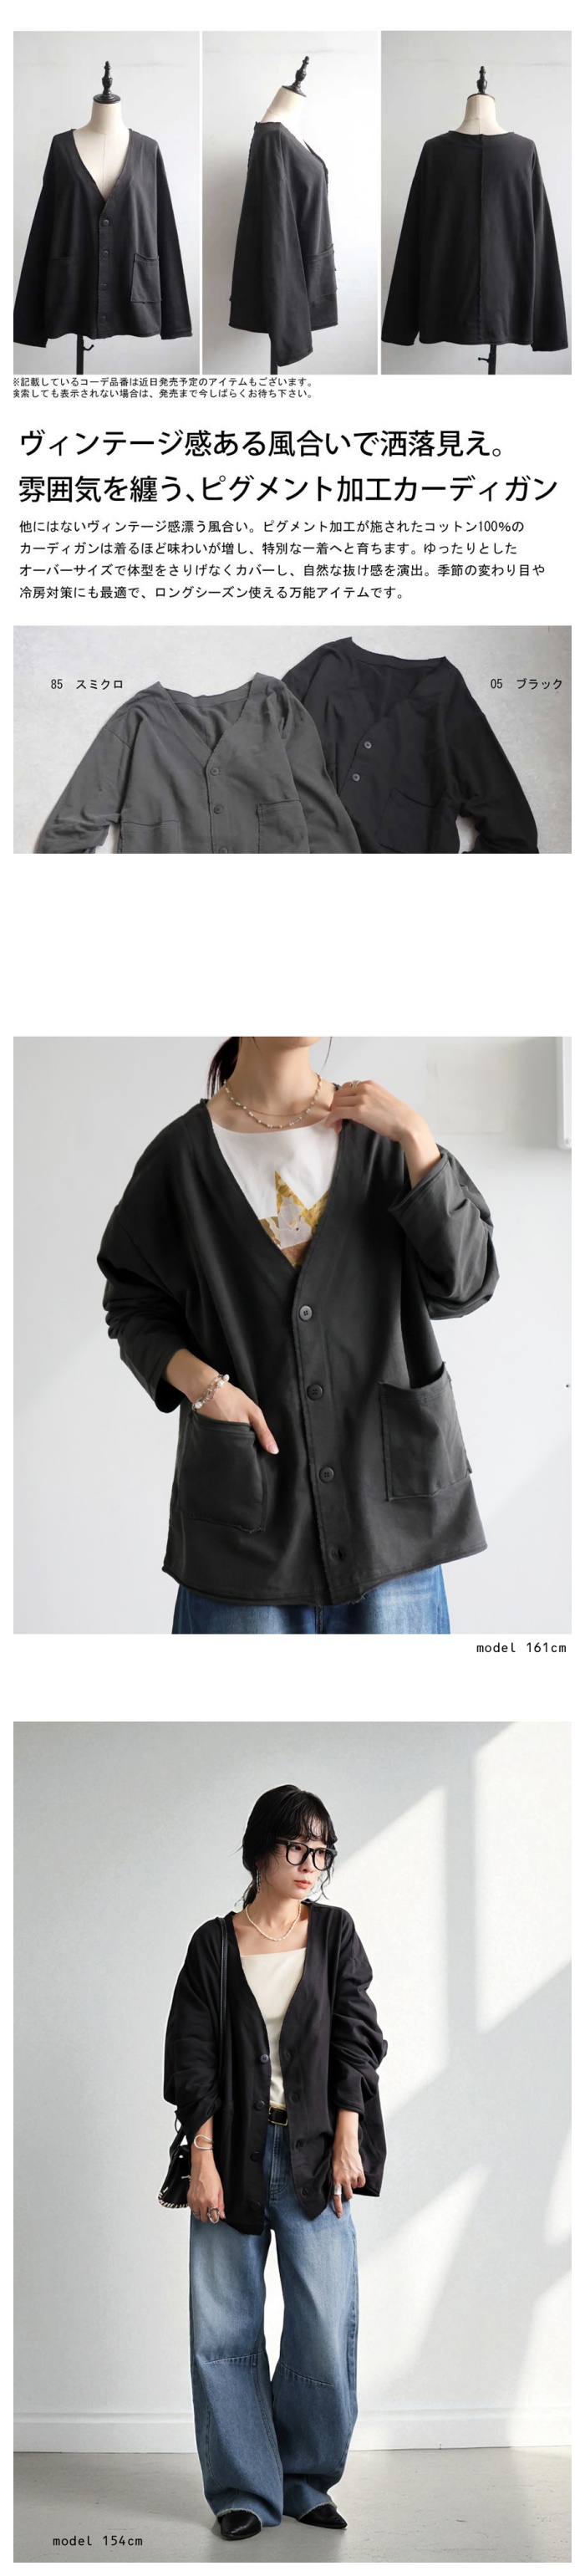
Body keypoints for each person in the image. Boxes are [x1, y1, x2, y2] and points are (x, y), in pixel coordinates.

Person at [98, 1036, 499, 1633]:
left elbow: (465, 1283)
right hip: (247, 1532)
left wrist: (418, 1139)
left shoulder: (385, 1139)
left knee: (399, 1697)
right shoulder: (180, 1159)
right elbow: (133, 1303)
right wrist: (205, 1387)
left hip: (391, 1518)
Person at [164, 1783, 387, 2538]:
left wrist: (349, 2137)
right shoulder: (213, 1944)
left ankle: (303, 2479)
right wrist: (202, 2158)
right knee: (223, 2330)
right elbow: (192, 2057)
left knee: (323, 2323)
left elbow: (358, 2039)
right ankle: (243, 2491)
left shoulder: (335, 1933)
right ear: (260, 1848)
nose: (310, 1863)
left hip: (315, 2156)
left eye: (322, 1850)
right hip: (230, 2155)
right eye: (297, 1846)